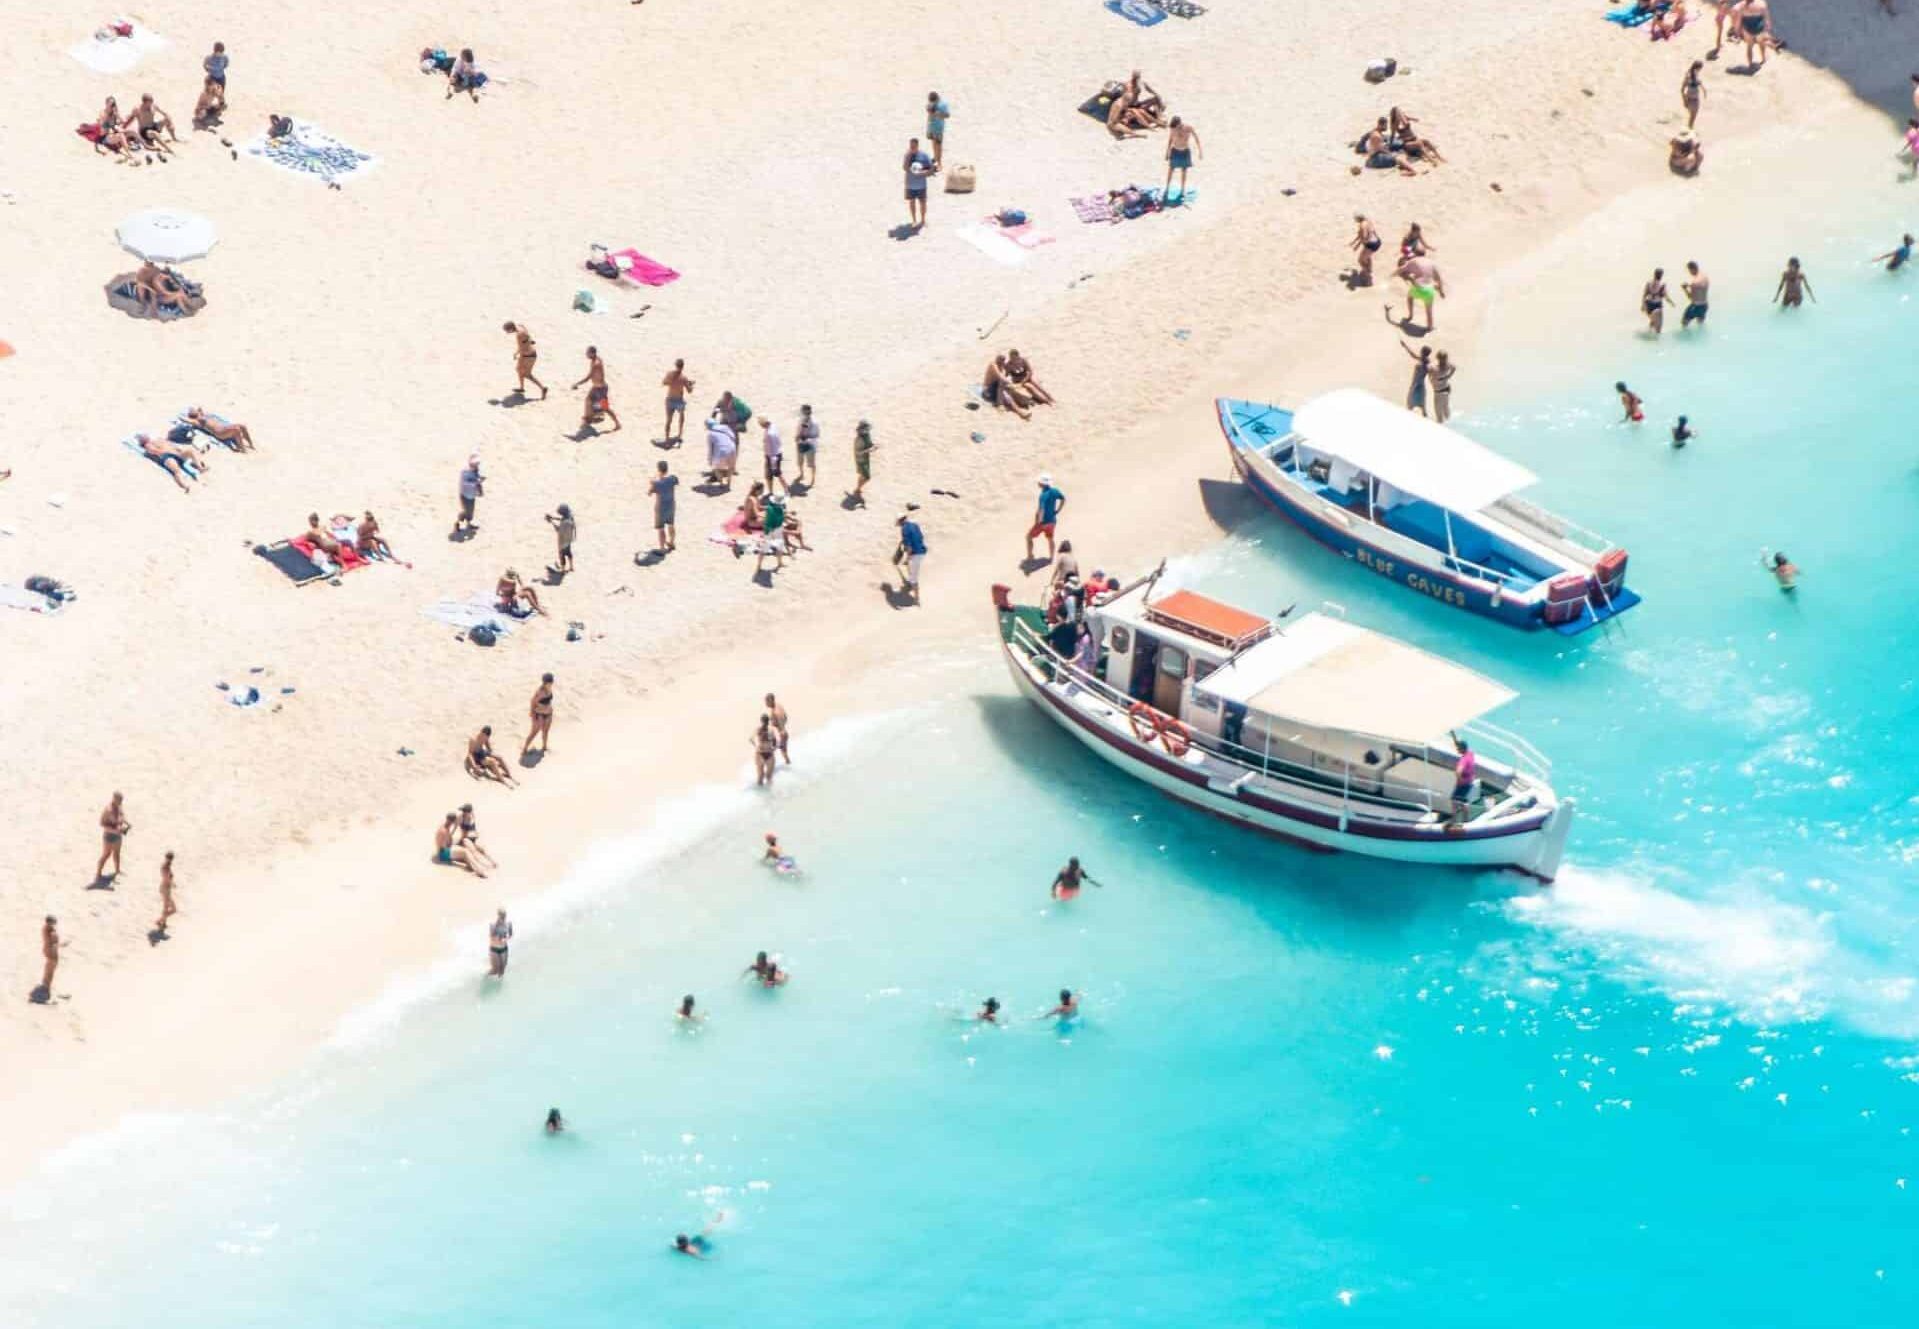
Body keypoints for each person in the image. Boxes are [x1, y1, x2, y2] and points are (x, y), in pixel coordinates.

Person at [571, 346, 621, 433]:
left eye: (588, 353)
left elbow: (588, 377)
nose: (586, 354)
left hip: (601, 389)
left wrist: (577, 383)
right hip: (596, 387)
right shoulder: (594, 360)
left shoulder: (596, 364)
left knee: (605, 408)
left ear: (592, 353)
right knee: (588, 400)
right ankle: (588, 418)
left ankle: (617, 424)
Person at [1393, 254, 1445, 331]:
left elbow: (1415, 282)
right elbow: (1438, 279)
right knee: (1429, 311)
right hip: (1429, 290)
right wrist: (1441, 291)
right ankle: (1430, 327)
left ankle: (1410, 315)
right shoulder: (1425, 265)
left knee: (1410, 297)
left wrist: (1392, 275)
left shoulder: (1410, 270)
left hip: (1419, 289)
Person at [1027, 475, 1066, 563]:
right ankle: (1051, 557)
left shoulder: (1043, 495)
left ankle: (1030, 556)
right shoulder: (1055, 491)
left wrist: (1039, 522)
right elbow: (1063, 499)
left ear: (1042, 484)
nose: (1038, 483)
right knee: (1050, 539)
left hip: (1043, 522)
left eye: (1039, 482)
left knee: (1029, 537)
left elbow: (1041, 509)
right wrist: (1058, 510)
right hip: (1052, 521)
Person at [503, 323, 546, 399]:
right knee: (518, 369)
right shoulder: (521, 327)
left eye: (507, 330)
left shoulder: (518, 336)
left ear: (511, 329)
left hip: (527, 356)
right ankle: (522, 388)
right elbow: (527, 334)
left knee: (527, 374)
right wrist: (530, 341)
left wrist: (516, 354)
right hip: (532, 354)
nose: (507, 332)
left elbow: (521, 348)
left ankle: (542, 388)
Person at [96, 791, 130, 884]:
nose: (121, 802)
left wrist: (127, 823)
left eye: (121, 800)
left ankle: (117, 870)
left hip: (118, 834)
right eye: (119, 800)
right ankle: (98, 874)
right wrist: (114, 830)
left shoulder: (119, 806)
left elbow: (122, 816)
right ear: (114, 799)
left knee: (117, 853)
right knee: (106, 855)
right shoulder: (108, 810)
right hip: (109, 836)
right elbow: (102, 823)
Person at [184, 407, 253, 451]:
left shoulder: (202, 414)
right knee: (236, 429)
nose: (193, 410)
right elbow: (185, 419)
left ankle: (250, 444)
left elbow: (200, 408)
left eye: (193, 409)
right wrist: (188, 417)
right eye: (192, 411)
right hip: (219, 433)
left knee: (242, 426)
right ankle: (242, 448)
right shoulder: (197, 421)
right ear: (191, 415)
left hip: (224, 428)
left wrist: (198, 410)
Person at [1164, 116, 1202, 197]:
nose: (1175, 128)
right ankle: (1167, 187)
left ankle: (1182, 189)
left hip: (1185, 151)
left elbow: (1196, 138)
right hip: (1175, 150)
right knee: (1171, 170)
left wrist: (1200, 151)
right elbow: (1170, 140)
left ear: (1179, 123)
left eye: (1176, 126)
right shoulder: (1173, 129)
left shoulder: (1188, 128)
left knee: (1184, 171)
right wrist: (1167, 152)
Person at [896, 510, 927, 604]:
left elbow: (909, 547)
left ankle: (916, 599)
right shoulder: (915, 524)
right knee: (909, 567)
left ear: (900, 521)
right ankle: (909, 583)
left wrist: (907, 558)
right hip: (922, 550)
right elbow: (921, 537)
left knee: (914, 578)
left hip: (916, 554)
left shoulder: (904, 530)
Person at [662, 359, 695, 444]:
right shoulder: (683, 378)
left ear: (675, 365)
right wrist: (691, 385)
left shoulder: (670, 374)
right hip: (679, 400)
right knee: (681, 417)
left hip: (670, 399)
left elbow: (664, 383)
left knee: (668, 420)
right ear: (683, 367)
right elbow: (689, 391)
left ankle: (667, 438)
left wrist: (672, 383)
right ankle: (679, 435)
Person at [903, 137, 933, 230]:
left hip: (921, 185)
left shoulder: (924, 155)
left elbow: (931, 169)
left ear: (917, 145)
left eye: (914, 146)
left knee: (923, 203)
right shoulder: (907, 155)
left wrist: (923, 173)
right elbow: (904, 168)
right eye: (911, 146)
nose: (912, 148)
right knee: (912, 202)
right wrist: (908, 157)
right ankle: (914, 221)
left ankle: (923, 220)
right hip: (910, 184)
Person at [523, 673, 555, 757]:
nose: (551, 683)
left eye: (551, 682)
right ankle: (524, 748)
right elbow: (532, 702)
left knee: (546, 731)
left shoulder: (550, 689)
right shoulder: (540, 691)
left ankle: (544, 747)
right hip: (539, 714)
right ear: (545, 682)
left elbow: (548, 701)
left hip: (548, 714)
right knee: (534, 732)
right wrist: (532, 714)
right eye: (549, 682)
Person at [649, 461, 678, 552]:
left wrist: (652, 482)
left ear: (658, 469)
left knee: (661, 529)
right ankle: (672, 543)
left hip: (660, 508)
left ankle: (662, 549)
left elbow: (649, 493)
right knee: (671, 525)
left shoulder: (657, 483)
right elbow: (675, 482)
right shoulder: (673, 479)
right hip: (671, 505)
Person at [1448, 737, 1478, 826]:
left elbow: (1458, 772)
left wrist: (1460, 780)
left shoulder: (1463, 760)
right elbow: (1461, 746)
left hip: (1463, 784)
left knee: (1455, 800)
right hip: (1469, 782)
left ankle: (1454, 821)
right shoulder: (1471, 754)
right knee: (1463, 800)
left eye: (1458, 748)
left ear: (1461, 748)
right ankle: (1466, 820)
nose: (1457, 750)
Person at [454, 454, 484, 536]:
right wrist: (476, 483)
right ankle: (457, 524)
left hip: (471, 496)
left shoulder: (475, 471)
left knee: (470, 512)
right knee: (466, 512)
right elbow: (465, 484)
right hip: (465, 496)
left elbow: (477, 479)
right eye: (476, 464)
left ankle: (468, 524)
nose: (477, 466)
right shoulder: (465, 472)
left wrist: (479, 482)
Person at [704, 413, 739, 487]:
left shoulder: (711, 434)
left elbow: (711, 449)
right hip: (732, 449)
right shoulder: (725, 427)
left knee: (716, 468)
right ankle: (729, 482)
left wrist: (710, 460)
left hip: (721, 452)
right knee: (730, 467)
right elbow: (733, 437)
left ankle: (721, 483)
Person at [1400, 342, 1432, 416]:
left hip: (1416, 384)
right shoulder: (1426, 361)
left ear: (1423, 352)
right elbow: (1413, 355)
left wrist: (1405, 346)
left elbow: (1413, 355)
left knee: (1410, 403)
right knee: (1422, 405)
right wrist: (1405, 346)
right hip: (1420, 384)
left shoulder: (1424, 361)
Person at [793, 404, 821, 488]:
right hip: (800, 444)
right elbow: (798, 428)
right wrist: (797, 437)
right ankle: (802, 474)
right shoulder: (801, 419)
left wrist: (807, 439)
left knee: (811, 464)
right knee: (800, 462)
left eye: (805, 412)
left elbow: (817, 435)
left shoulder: (815, 423)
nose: (804, 414)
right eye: (803, 412)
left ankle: (813, 479)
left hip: (810, 446)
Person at [1350, 214, 1382, 286]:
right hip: (1377, 242)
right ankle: (1370, 269)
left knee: (1360, 260)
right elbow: (1370, 233)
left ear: (1357, 219)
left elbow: (1364, 237)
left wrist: (1357, 246)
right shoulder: (1368, 221)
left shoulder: (1362, 225)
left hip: (1370, 244)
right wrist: (1354, 242)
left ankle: (1368, 278)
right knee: (1368, 257)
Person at [545, 503, 576, 574]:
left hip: (563, 541)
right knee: (569, 553)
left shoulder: (564, 523)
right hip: (569, 539)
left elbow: (558, 529)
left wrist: (551, 522)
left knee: (562, 555)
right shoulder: (570, 517)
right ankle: (571, 567)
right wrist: (553, 518)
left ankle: (563, 570)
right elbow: (562, 519)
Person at [759, 417, 787, 495]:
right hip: (777, 453)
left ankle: (783, 489)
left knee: (775, 474)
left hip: (772, 457)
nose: (760, 426)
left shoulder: (769, 434)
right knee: (773, 474)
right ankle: (779, 490)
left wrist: (773, 463)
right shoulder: (773, 426)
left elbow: (772, 449)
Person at [1641, 268, 1673, 335]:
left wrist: (1643, 305)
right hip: (1657, 305)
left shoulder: (1649, 283)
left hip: (1648, 304)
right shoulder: (1662, 284)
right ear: (1661, 275)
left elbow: (1644, 295)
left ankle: (1649, 333)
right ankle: (1654, 336)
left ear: (1654, 274)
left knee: (1653, 321)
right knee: (1658, 329)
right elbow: (1666, 296)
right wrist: (1671, 303)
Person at [39, 916, 64, 998]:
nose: (55, 923)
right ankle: (46, 986)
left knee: (49, 968)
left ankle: (45, 984)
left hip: (49, 951)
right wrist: (60, 945)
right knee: (50, 969)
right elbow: (52, 943)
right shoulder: (49, 931)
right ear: (49, 922)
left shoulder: (47, 929)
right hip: (51, 952)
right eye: (53, 922)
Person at [155, 851, 179, 936]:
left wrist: (171, 882)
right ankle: (160, 921)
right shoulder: (166, 867)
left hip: (165, 888)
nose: (170, 860)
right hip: (166, 889)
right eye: (170, 858)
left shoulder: (165, 866)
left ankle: (162, 922)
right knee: (170, 908)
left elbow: (166, 877)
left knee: (168, 908)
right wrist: (172, 883)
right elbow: (167, 878)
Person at [751, 714, 779, 787]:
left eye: (766, 721)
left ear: (768, 721)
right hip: (759, 754)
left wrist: (774, 748)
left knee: (769, 777)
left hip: (769, 754)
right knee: (760, 776)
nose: (765, 722)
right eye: (764, 721)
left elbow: (775, 741)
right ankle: (759, 793)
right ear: (761, 721)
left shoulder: (771, 731)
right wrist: (756, 746)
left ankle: (770, 792)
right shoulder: (758, 730)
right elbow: (751, 739)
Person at [852, 420, 876, 504]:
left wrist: (873, 446)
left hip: (866, 459)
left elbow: (870, 444)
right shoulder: (858, 439)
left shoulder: (867, 435)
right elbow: (858, 452)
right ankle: (857, 489)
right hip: (861, 460)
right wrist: (870, 450)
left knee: (862, 475)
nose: (868, 430)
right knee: (867, 477)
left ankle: (858, 489)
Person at [925, 91, 950, 170]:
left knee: (938, 145)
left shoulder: (943, 104)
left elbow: (948, 115)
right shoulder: (930, 103)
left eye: (933, 101)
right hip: (931, 126)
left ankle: (940, 164)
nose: (931, 102)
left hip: (938, 128)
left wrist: (939, 114)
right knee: (933, 143)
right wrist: (928, 127)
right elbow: (929, 113)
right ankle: (935, 158)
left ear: (937, 99)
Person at [1680, 262, 1710, 328]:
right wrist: (1689, 285)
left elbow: (1690, 297)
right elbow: (1702, 286)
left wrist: (1685, 289)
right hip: (1704, 305)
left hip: (1695, 306)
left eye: (1689, 271)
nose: (1690, 273)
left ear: (1692, 269)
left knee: (1684, 324)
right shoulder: (1705, 277)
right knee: (1700, 325)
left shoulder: (1694, 282)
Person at [764, 693, 790, 764]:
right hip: (779, 733)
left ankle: (769, 765)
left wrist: (781, 732)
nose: (765, 703)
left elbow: (782, 720)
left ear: (771, 701)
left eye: (766, 701)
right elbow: (785, 717)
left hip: (781, 734)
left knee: (782, 752)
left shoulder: (777, 711)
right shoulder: (776, 706)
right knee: (783, 753)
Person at [1431, 351, 1457, 424]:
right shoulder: (1447, 365)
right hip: (1445, 389)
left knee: (1439, 414)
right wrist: (1448, 376)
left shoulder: (1435, 368)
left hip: (1439, 392)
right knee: (1446, 409)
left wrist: (1447, 376)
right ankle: (1450, 423)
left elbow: (1454, 368)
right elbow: (1454, 367)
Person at [202, 42, 229, 110]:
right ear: (215, 51)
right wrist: (207, 69)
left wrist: (222, 68)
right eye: (219, 53)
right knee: (210, 92)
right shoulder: (209, 58)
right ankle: (207, 105)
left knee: (221, 92)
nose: (221, 54)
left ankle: (221, 103)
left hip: (221, 78)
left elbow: (226, 63)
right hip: (212, 78)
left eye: (222, 53)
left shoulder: (224, 57)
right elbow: (205, 64)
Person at [487, 909, 513, 977]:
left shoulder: (509, 923)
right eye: (501, 916)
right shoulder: (493, 924)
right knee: (495, 970)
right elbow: (491, 937)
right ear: (498, 916)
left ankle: (500, 982)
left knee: (502, 970)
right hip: (494, 949)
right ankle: (485, 977)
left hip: (504, 949)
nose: (503, 917)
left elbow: (510, 935)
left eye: (504, 916)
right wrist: (499, 939)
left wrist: (506, 939)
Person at [1681, 60, 1705, 129]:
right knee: (1692, 117)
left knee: (1692, 117)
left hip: (1695, 98)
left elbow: (1699, 83)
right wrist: (1684, 100)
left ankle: (1689, 129)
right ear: (1697, 68)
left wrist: (1704, 91)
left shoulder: (1696, 75)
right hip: (1691, 99)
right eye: (1700, 68)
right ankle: (1690, 129)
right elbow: (1682, 89)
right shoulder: (1688, 76)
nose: (1700, 70)